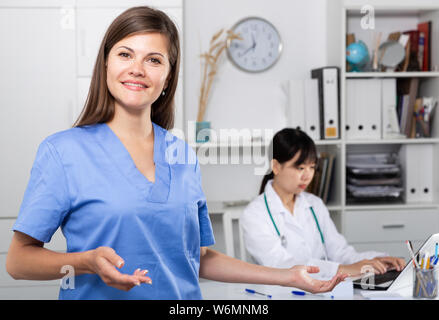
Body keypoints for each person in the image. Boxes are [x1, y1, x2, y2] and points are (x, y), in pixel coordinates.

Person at [5, 7, 346, 299]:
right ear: (106, 64)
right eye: (125, 54)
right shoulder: (63, 151)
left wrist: (287, 276)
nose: (137, 68)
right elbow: (18, 262)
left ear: (167, 77)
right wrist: (85, 262)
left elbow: (196, 258)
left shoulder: (181, 154)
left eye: (153, 60)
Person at [241, 128, 406, 280]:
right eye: (300, 168)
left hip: (322, 290)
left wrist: (376, 260)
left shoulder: (314, 204)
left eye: (312, 167)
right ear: (276, 167)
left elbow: (340, 252)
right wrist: (342, 269)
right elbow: (280, 265)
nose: (307, 176)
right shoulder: (255, 214)